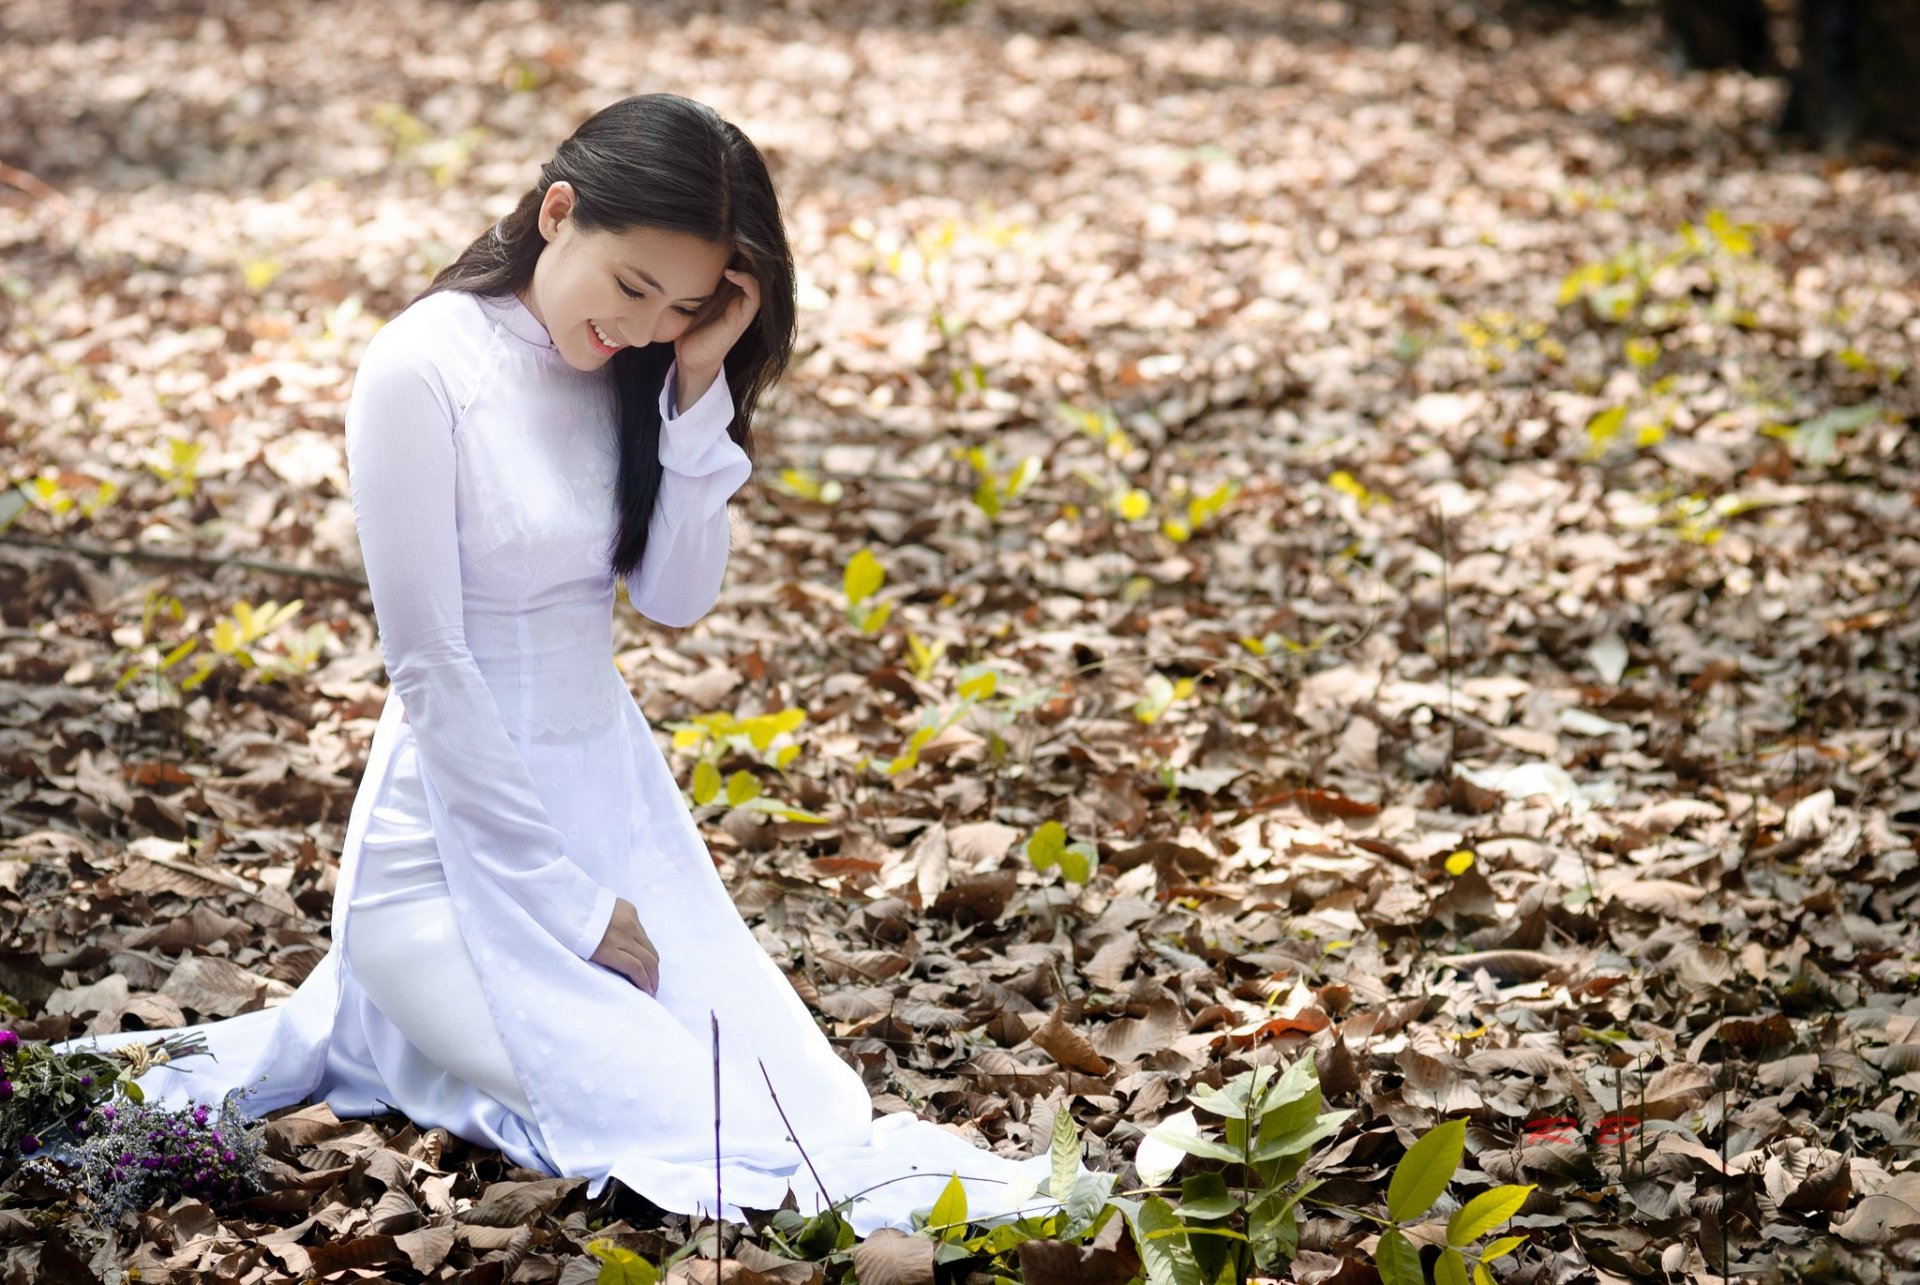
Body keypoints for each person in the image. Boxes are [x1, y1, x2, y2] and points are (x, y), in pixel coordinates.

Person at [51, 93, 1079, 1236]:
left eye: (683, 303)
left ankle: (416, 1053)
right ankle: (400, 1025)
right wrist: (571, 910)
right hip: (442, 872)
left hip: (615, 820)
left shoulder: (638, 375)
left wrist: (697, 391)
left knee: (789, 1108)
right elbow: (432, 666)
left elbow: (676, 601)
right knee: (689, 1128)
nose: (643, 324)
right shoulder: (420, 367)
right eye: (633, 286)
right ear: (556, 212)